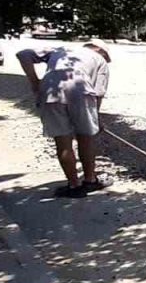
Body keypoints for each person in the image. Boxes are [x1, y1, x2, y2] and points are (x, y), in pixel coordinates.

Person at [17, 39, 113, 198]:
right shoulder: (99, 59)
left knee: (62, 140)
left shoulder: (61, 49)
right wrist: (96, 117)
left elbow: (23, 54)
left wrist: (35, 83)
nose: (107, 60)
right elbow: (99, 93)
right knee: (86, 138)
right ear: (100, 50)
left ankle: (74, 186)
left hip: (50, 91)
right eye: (107, 57)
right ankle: (90, 181)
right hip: (81, 91)